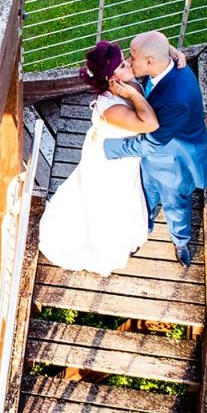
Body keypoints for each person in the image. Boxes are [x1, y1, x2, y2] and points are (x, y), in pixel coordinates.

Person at [38, 40, 159, 276]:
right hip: (110, 165)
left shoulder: (126, 83)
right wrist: (134, 95)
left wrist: (172, 53)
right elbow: (151, 124)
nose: (130, 65)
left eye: (126, 60)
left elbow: (152, 44)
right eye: (124, 64)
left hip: (119, 154)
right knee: (109, 205)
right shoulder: (111, 109)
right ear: (112, 81)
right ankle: (103, 247)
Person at [103, 31, 207, 267]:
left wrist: (110, 148)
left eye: (132, 57)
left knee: (176, 207)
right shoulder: (164, 64)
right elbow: (157, 47)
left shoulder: (177, 98)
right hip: (149, 161)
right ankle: (142, 230)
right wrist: (172, 49)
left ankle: (181, 241)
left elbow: (152, 141)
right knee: (145, 199)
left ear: (150, 61)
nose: (129, 61)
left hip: (173, 164)